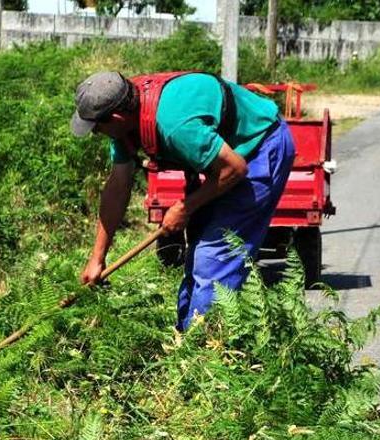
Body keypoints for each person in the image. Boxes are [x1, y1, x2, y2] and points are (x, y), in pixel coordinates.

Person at [71, 71, 295, 331]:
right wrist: (97, 257)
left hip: (259, 146)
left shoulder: (175, 125)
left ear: (117, 117)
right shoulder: (125, 124)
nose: (96, 133)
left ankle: (203, 353)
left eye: (97, 126)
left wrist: (185, 207)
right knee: (197, 251)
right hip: (221, 162)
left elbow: (235, 169)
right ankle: (184, 336)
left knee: (213, 259)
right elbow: (117, 187)